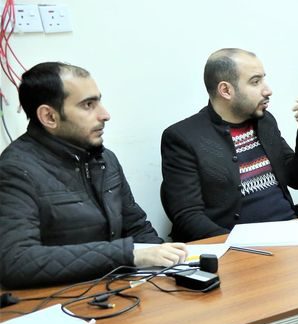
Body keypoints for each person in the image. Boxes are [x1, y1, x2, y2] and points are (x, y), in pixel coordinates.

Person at [0, 62, 186, 289]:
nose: (105, 115)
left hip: (118, 288)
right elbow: (17, 261)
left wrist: (172, 269)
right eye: (88, 105)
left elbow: (137, 227)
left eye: (99, 101)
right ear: (49, 116)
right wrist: (128, 254)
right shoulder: (15, 170)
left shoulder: (105, 159)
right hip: (60, 298)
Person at [160, 48, 298, 242]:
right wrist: (237, 245)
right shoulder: (183, 137)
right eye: (255, 82)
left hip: (290, 234)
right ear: (226, 90)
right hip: (237, 246)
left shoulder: (265, 122)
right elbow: (188, 217)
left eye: (263, 79)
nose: (267, 90)